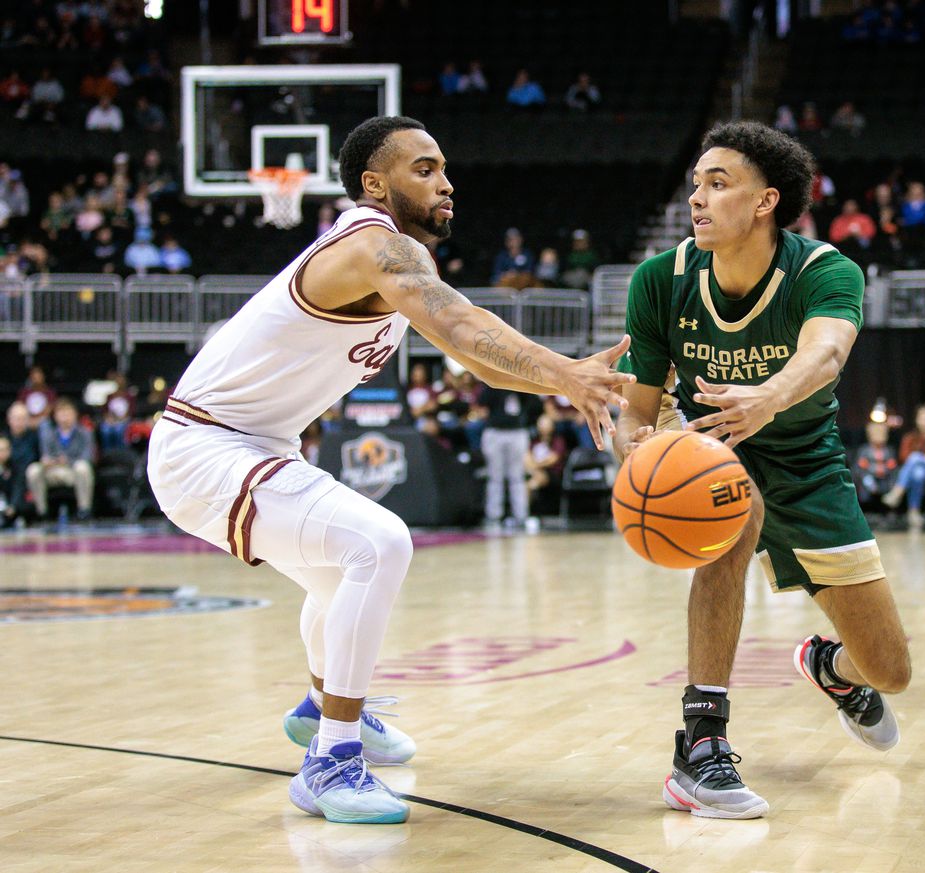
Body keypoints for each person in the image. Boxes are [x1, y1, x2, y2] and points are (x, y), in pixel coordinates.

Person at [146, 116, 633, 825]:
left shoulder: (400, 258)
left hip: (258, 443)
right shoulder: (378, 247)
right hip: (205, 447)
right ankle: (332, 758)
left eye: (444, 168)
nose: (446, 181)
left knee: (338, 572)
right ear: (375, 183)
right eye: (425, 168)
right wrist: (566, 373)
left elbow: (480, 362)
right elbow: (466, 327)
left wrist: (567, 380)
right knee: (379, 543)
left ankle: (323, 706)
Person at [617, 121, 911, 820]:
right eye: (695, 184)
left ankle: (830, 668)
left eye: (718, 184)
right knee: (732, 507)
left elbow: (829, 351)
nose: (697, 198)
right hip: (713, 450)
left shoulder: (824, 271)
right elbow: (637, 408)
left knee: (890, 670)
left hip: (808, 461)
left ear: (765, 202)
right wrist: (637, 451)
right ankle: (701, 743)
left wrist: (771, 395)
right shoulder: (661, 281)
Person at [476, 386, 541, 529]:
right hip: (495, 431)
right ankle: (493, 516)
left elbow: (535, 403)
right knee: (495, 476)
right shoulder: (492, 379)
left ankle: (521, 516)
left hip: (517, 431)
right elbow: (481, 402)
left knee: (517, 476)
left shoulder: (520, 380)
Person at [28, 397, 95, 521]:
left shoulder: (84, 433)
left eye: (67, 413)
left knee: (83, 467)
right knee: (33, 470)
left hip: (72, 471)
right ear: (55, 416)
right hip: (53, 471)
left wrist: (67, 461)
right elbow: (46, 455)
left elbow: (88, 457)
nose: (64, 417)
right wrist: (49, 462)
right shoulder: (49, 434)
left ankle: (84, 510)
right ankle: (42, 512)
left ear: (75, 415)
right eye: (61, 413)